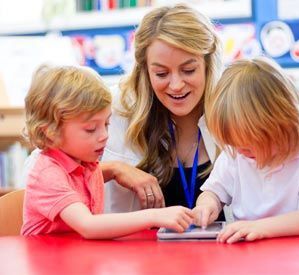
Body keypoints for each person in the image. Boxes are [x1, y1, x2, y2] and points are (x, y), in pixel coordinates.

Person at [21, 65, 193, 238]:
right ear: (49, 132)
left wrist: (115, 171)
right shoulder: (47, 173)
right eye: (90, 129)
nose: (104, 136)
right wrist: (155, 216)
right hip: (47, 262)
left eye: (106, 124)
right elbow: (88, 225)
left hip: (76, 257)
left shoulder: (85, 164)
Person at [193, 57, 299, 244]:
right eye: (234, 143)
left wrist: (258, 227)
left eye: (248, 144)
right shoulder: (236, 153)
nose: (240, 151)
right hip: (257, 252)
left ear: (280, 125)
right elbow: (213, 191)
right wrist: (207, 205)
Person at [101, 3, 225, 219]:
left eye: (188, 70)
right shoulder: (114, 108)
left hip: (227, 252)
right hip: (139, 252)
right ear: (145, 70)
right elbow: (45, 173)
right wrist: (113, 169)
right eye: (161, 73)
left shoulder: (236, 105)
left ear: (207, 64)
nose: (176, 85)